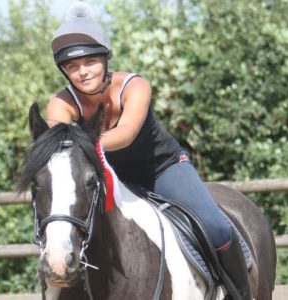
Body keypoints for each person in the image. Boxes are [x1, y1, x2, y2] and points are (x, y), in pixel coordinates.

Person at [46, 2, 252, 299]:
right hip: (111, 177)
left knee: (215, 226)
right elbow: (56, 149)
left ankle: (243, 295)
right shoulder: (61, 104)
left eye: (90, 62)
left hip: (162, 170)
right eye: (72, 67)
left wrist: (79, 143)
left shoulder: (134, 85)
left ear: (105, 59)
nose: (82, 72)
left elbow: (126, 134)